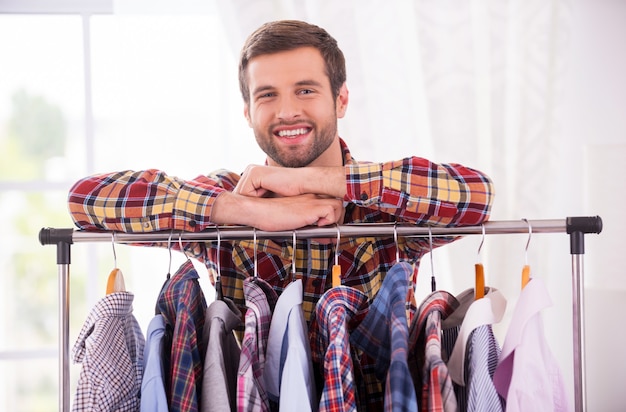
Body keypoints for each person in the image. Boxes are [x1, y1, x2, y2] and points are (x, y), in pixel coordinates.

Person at [68, 20, 494, 323]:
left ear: (341, 100)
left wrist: (304, 181)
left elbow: (476, 195)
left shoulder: (387, 203)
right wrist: (252, 213)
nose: (287, 110)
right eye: (268, 95)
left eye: (305, 90)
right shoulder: (228, 197)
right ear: (248, 111)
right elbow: (86, 200)